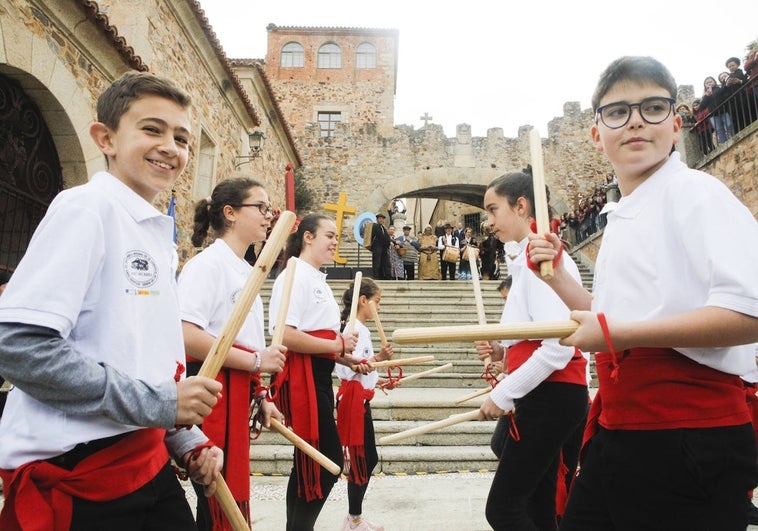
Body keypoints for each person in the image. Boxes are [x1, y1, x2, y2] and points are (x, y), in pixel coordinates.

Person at [528, 55, 758, 530]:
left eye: (652, 107)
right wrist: (557, 278)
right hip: (623, 430)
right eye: (617, 112)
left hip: (688, 437)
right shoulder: (623, 214)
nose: (635, 121)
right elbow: (612, 319)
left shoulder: (696, 194)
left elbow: (750, 313)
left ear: (676, 125)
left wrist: (614, 331)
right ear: (597, 135)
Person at [0, 71, 224, 529]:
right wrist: (161, 405)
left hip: (146, 465)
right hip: (86, 479)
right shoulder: (86, 208)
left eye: (182, 138)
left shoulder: (154, 231)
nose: (171, 147)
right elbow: (19, 347)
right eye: (152, 129)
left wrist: (185, 438)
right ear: (105, 138)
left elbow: (142, 363)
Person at [475, 171, 589, 531]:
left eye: (493, 210)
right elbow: (530, 337)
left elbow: (557, 348)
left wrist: (505, 391)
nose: (488, 222)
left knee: (504, 509)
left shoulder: (544, 262)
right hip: (545, 394)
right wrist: (499, 349)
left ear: (521, 206)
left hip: (551, 395)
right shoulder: (523, 261)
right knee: (539, 509)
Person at [178, 177, 288, 529]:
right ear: (230, 213)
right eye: (260, 207)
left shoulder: (246, 269)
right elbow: (186, 335)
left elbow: (245, 339)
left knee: (226, 492)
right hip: (210, 393)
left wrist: (260, 394)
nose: (268, 215)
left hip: (238, 390)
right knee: (213, 494)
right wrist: (256, 361)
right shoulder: (207, 266)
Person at [267, 213, 361, 530]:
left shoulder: (315, 278)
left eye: (336, 236)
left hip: (319, 375)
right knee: (326, 459)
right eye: (329, 235)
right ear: (308, 237)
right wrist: (337, 345)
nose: (335, 241)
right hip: (300, 378)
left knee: (309, 462)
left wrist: (345, 356)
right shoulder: (293, 275)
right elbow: (286, 335)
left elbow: (319, 337)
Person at [335, 277, 394, 531]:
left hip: (361, 397)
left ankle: (355, 516)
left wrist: (378, 377)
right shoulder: (352, 329)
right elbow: (349, 367)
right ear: (363, 300)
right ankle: (354, 519)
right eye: (376, 302)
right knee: (363, 460)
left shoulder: (361, 328)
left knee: (366, 460)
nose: (378, 308)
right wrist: (376, 362)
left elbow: (364, 369)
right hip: (353, 400)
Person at [369, 213, 391, 280]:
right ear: (377, 219)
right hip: (377, 247)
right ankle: (376, 276)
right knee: (377, 262)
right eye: (380, 218)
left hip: (384, 248)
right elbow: (380, 236)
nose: (381, 220)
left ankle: (384, 276)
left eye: (382, 219)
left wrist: (389, 243)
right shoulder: (375, 226)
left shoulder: (384, 228)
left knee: (385, 262)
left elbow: (387, 237)